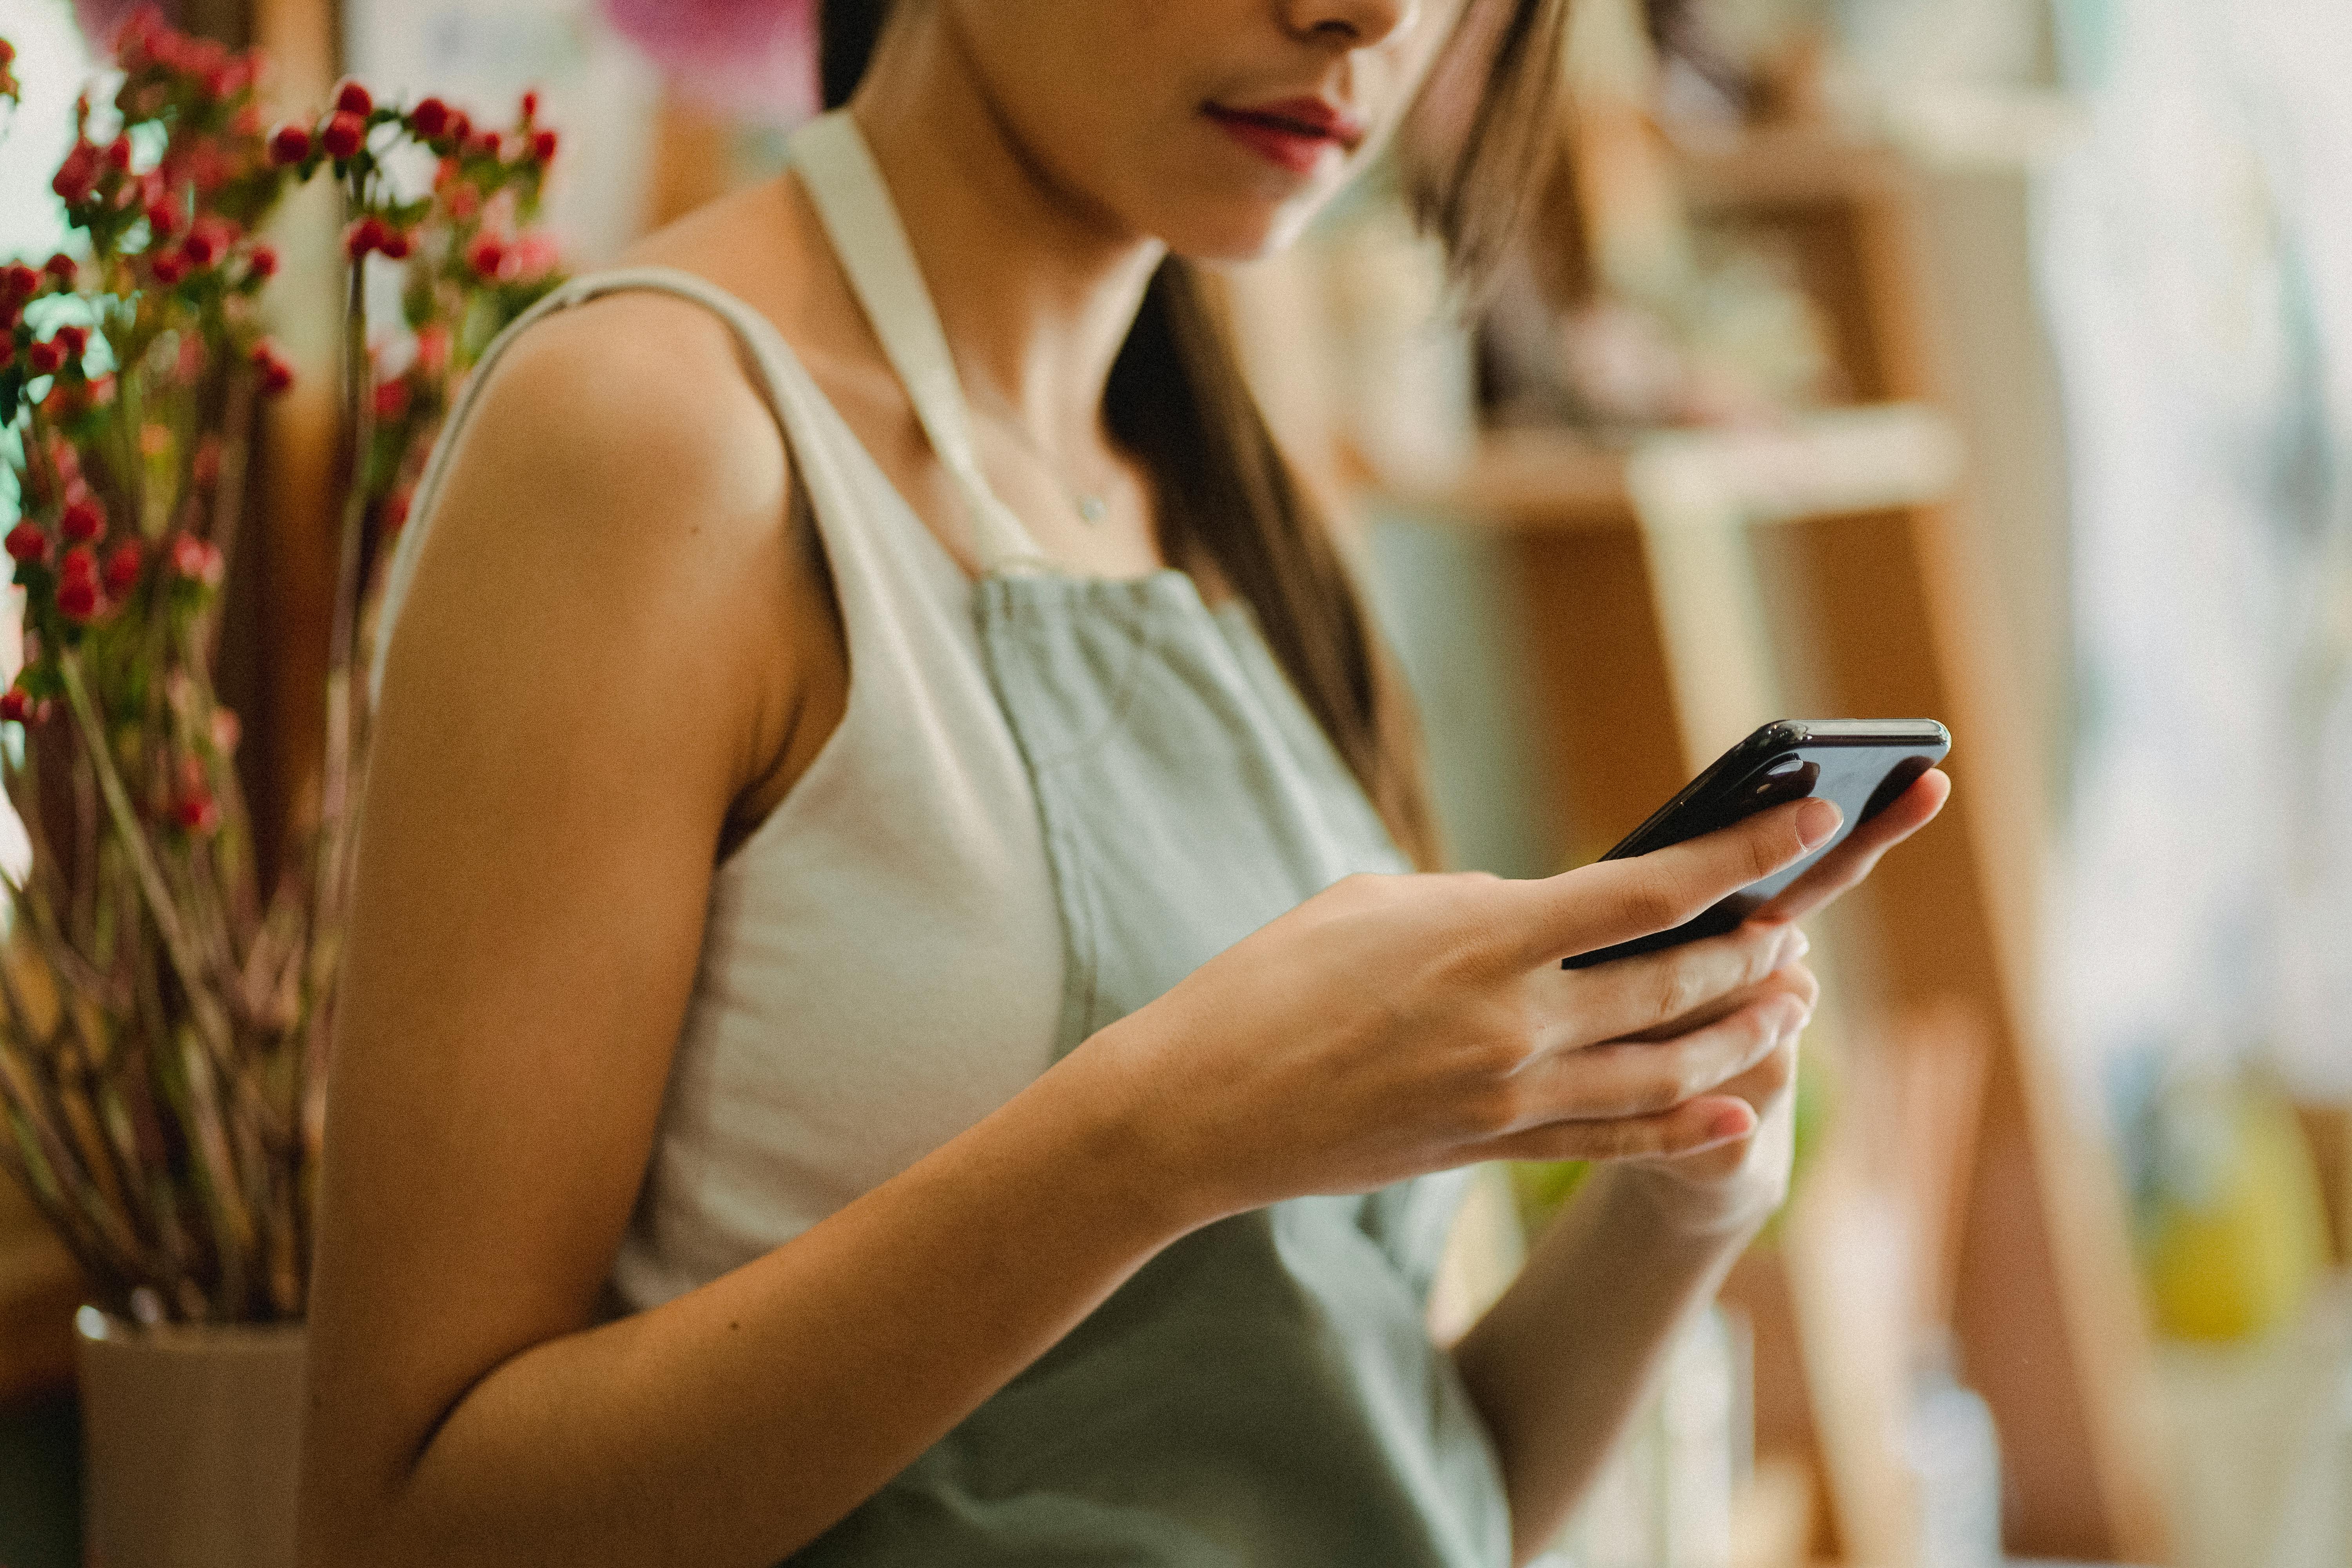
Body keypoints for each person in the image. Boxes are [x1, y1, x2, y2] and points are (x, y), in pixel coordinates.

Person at [297, 2, 1950, 1565]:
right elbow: (414, 1527)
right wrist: (1161, 1135)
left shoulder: (1239, 502)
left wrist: (1689, 1185)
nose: (1369, 13)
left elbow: (1396, 1486)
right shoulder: (652, 438)